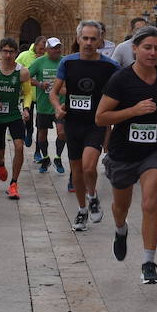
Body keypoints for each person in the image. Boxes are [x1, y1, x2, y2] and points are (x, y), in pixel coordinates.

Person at [97, 25, 157, 283]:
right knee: (121, 207)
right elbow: (101, 117)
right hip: (123, 153)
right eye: (147, 47)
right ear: (135, 49)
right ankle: (121, 230)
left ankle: (149, 262)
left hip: (154, 150)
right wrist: (133, 111)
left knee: (150, 202)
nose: (152, 53)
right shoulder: (120, 80)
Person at [50, 20, 118, 231]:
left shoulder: (110, 66)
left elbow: (119, 94)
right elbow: (54, 92)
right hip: (73, 123)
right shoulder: (67, 62)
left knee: (89, 167)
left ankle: (93, 195)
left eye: (93, 39)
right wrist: (57, 109)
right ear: (78, 39)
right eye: (85, 38)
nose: (88, 42)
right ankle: (82, 210)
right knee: (77, 172)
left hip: (95, 123)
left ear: (100, 41)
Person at [0, 37, 31, 200]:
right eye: (5, 51)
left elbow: (28, 92)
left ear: (16, 53)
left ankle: (14, 184)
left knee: (19, 147)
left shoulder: (22, 72)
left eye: (11, 52)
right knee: (0, 152)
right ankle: (0, 162)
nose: (8, 55)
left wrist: (26, 108)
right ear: (0, 51)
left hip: (14, 114)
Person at [28, 37, 65, 173]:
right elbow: (26, 77)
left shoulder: (65, 61)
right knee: (42, 134)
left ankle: (58, 157)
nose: (57, 50)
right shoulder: (39, 62)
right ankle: (45, 158)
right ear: (47, 49)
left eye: (59, 47)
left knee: (62, 132)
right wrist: (39, 84)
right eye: (54, 48)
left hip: (60, 106)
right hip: (43, 105)